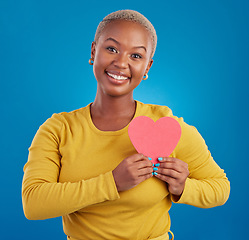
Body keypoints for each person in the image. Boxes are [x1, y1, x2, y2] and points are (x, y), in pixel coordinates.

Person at [22, 10, 230, 240]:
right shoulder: (58, 129)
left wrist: (183, 188)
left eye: (136, 56)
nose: (121, 63)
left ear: (147, 67)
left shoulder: (166, 127)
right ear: (93, 51)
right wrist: (111, 182)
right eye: (111, 49)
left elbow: (220, 187)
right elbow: (33, 203)